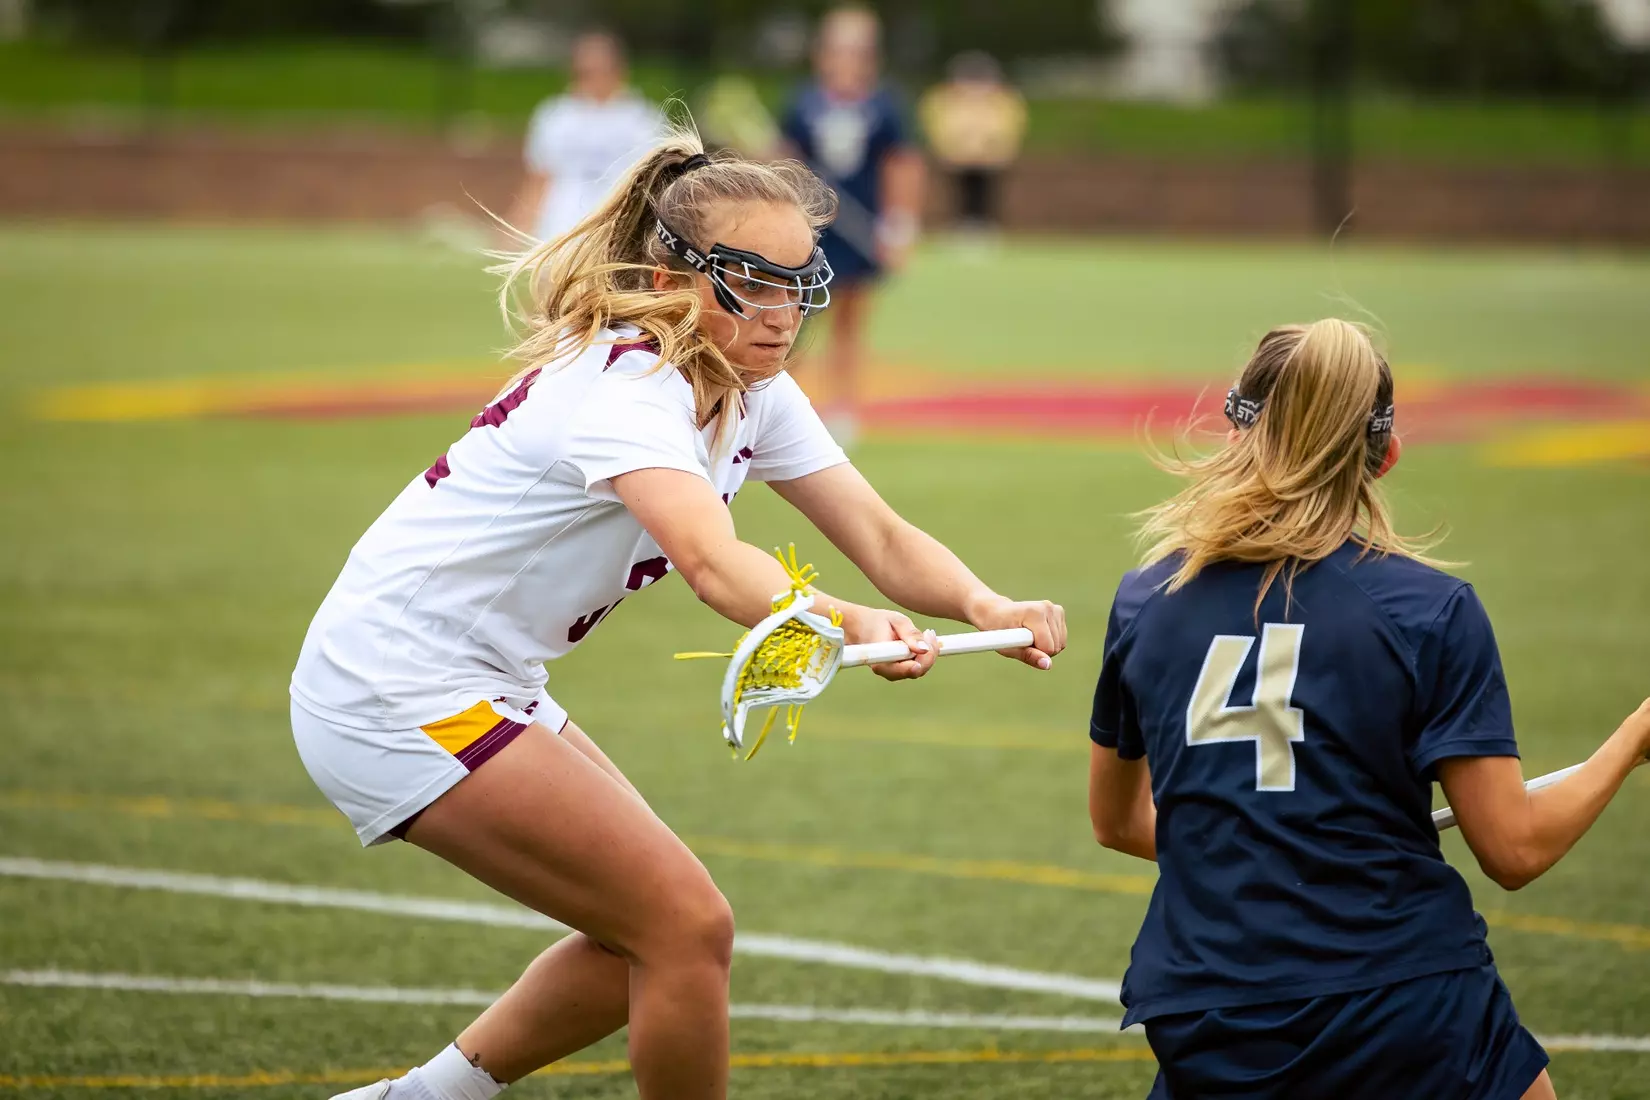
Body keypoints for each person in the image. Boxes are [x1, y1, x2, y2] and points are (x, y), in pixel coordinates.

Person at [295, 127, 1066, 1100]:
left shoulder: (752, 386)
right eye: (756, 281)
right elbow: (711, 562)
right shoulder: (629, 386)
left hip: (475, 678)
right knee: (684, 926)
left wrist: (984, 601)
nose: (785, 313)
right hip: (392, 688)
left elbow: (880, 533)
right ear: (674, 279)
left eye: (800, 281)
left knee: (656, 930)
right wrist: (848, 619)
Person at [1087, 319, 1649, 1100]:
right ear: (1383, 454)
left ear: (1235, 431)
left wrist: (1259, 849)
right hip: (1402, 995)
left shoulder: (1145, 601)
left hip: (1209, 1009)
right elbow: (1514, 850)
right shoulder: (1431, 611)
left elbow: (1119, 823)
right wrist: (1635, 735)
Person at [780, 5, 925, 444]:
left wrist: (899, 226)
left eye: (857, 50)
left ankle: (843, 409)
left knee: (849, 323)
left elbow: (903, 165)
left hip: (861, 230)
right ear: (822, 54)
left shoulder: (885, 107)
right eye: (838, 48)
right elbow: (785, 162)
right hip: (811, 232)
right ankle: (787, 411)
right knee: (795, 321)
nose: (847, 58)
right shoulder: (803, 103)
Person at [507, 30, 663, 246]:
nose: (593, 79)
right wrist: (520, 223)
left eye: (600, 70)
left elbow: (653, 182)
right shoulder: (555, 116)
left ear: (619, 70)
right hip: (561, 228)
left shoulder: (643, 121)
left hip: (616, 229)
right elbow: (539, 177)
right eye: (585, 72)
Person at [918, 51, 1026, 235]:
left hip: (989, 158)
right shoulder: (944, 98)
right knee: (959, 191)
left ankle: (984, 224)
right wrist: (948, 149)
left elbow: (1009, 125)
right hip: (956, 157)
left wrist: (997, 150)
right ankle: (961, 223)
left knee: (985, 191)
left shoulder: (1002, 100)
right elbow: (936, 123)